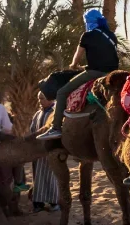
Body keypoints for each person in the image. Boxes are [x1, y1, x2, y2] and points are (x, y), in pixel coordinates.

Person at [39, 8, 120, 141]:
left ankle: (56, 128)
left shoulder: (87, 35)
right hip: (113, 73)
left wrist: (74, 66)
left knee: (61, 92)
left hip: (96, 73)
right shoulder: (111, 35)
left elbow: (76, 59)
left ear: (88, 22)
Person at [28, 92, 60, 210]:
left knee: (52, 176)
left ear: (50, 99)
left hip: (51, 149)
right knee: (37, 176)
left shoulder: (56, 112)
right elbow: (32, 130)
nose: (40, 101)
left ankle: (54, 202)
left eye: (42, 98)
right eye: (39, 98)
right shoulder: (38, 113)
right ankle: (38, 203)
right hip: (38, 151)